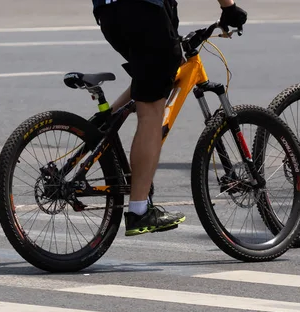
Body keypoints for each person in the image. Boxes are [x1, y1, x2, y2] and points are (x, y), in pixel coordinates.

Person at [91, 0, 247, 236]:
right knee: (151, 112)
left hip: (107, 12)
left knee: (151, 77)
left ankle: (105, 121)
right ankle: (139, 211)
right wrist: (228, 7)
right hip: (145, 10)